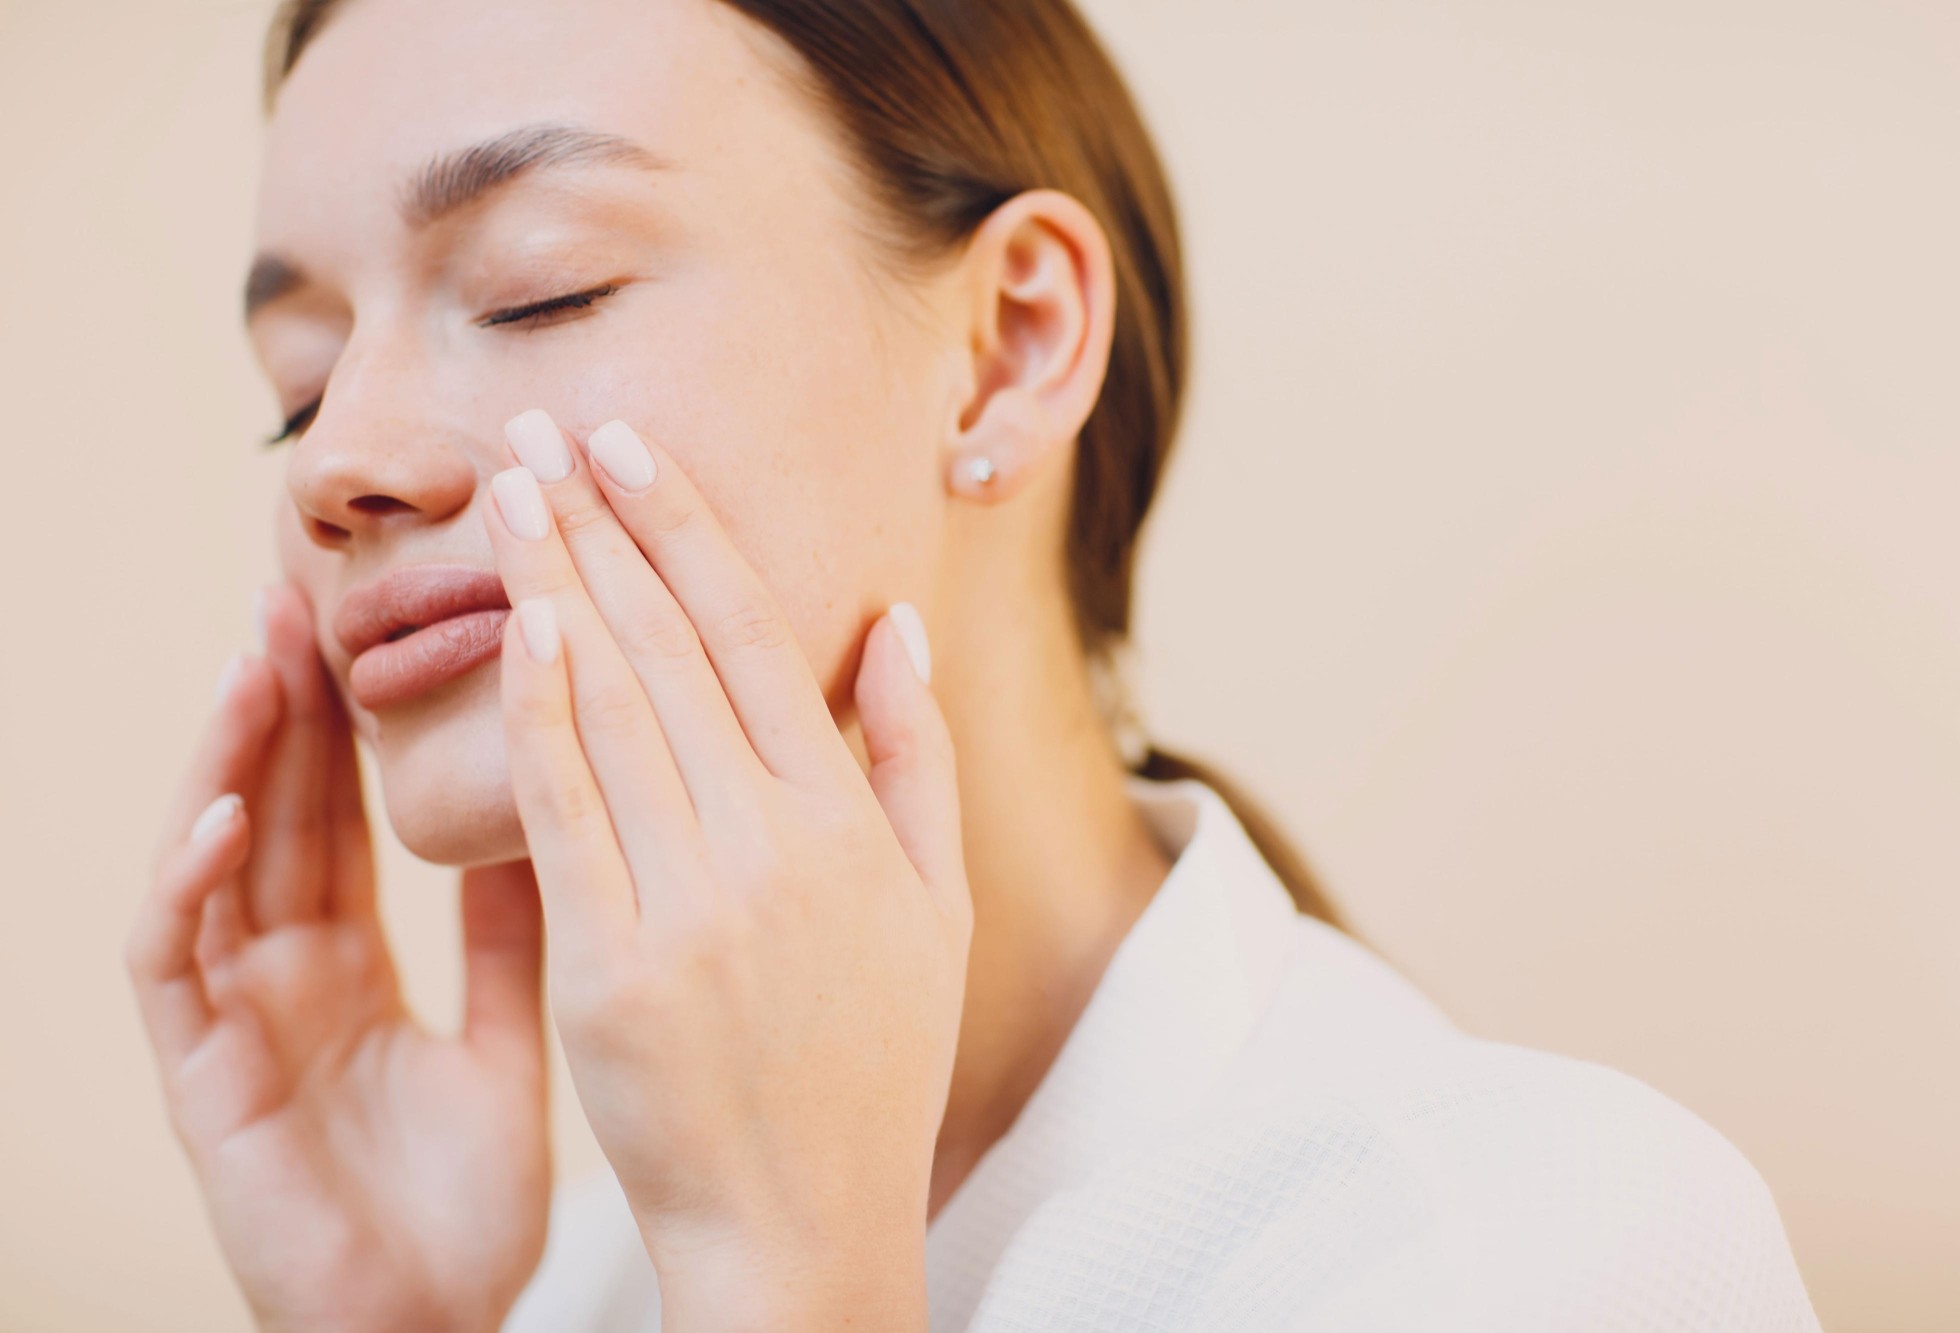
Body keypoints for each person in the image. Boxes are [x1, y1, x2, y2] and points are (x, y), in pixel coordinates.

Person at [125, 0, 1827, 1328]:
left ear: (1011, 345)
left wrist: (793, 1288)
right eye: (298, 380)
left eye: (536, 291)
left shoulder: (1535, 1253)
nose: (334, 456)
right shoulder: (569, 1289)